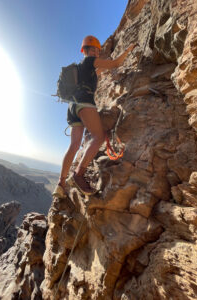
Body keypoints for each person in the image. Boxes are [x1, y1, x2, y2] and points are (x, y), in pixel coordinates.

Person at [53, 35, 134, 198]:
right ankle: (78, 174)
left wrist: (104, 66)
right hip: (85, 102)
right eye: (97, 50)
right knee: (98, 137)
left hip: (73, 106)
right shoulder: (90, 61)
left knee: (74, 145)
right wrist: (128, 50)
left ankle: (61, 184)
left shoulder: (84, 67)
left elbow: (99, 71)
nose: (98, 53)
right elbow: (116, 64)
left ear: (83, 49)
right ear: (94, 50)